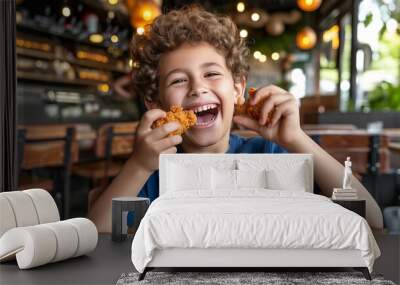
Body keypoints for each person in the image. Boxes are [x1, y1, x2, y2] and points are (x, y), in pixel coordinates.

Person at [88, 5, 383, 232]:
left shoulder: (273, 156)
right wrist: (138, 165)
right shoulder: (152, 173)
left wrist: (296, 138)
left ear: (238, 89)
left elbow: (370, 220)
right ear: (156, 103)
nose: (198, 87)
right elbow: (96, 235)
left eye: (212, 74)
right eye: (178, 80)